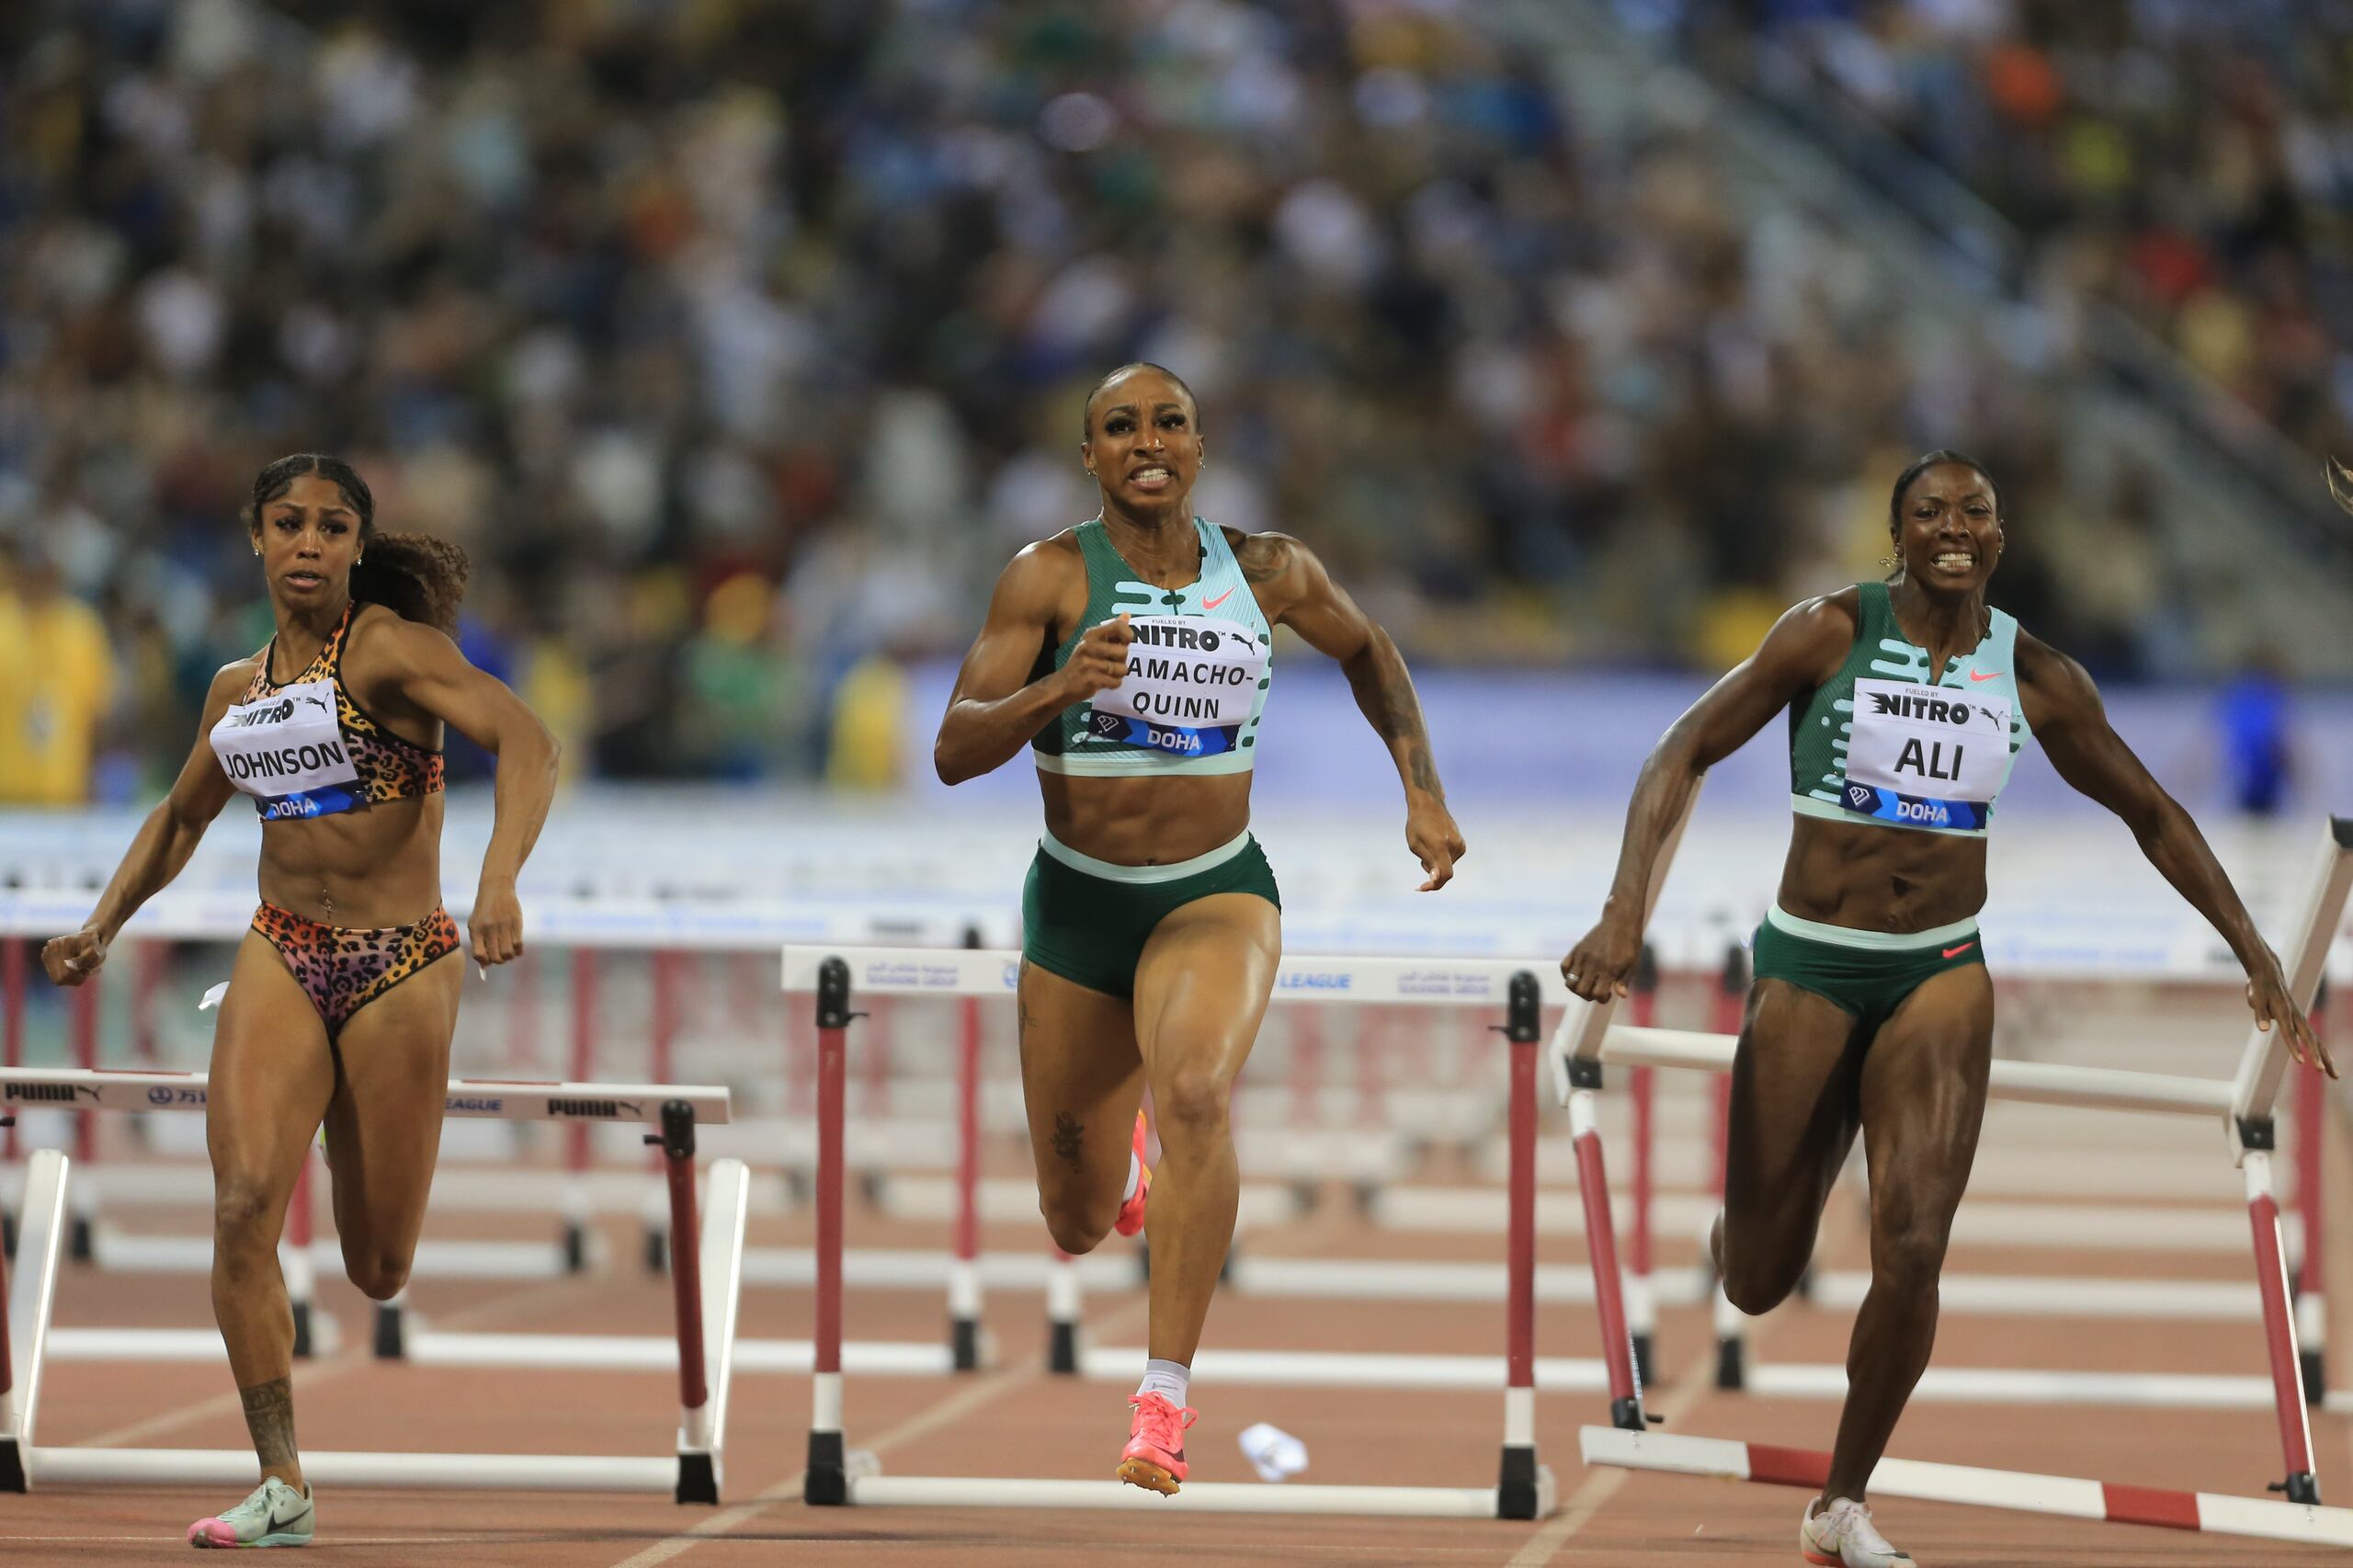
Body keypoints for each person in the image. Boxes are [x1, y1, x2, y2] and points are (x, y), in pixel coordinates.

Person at [1558, 451, 2332, 1568]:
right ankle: (1744, 1221)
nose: (1953, 526)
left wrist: (2255, 948)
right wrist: (1624, 914)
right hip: (1813, 962)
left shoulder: (2036, 675)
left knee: (1913, 1243)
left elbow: (2152, 812)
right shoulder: (1825, 631)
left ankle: (1841, 1498)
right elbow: (1678, 749)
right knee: (1756, 1277)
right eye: (1929, 511)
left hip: (1938, 967)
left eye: (1974, 510)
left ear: (2000, 537)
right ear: (1898, 535)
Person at [934, 363, 1465, 1494]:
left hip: (1213, 890)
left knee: (1194, 1095)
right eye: (1118, 427)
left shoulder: (1266, 569)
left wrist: (1418, 787)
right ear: (1091, 458)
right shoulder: (1046, 577)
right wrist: (1056, 688)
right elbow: (953, 748)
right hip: (1077, 904)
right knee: (1075, 1223)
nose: (1145, 440)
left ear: (1198, 443)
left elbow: (1369, 647)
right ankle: (1119, 1166)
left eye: (1166, 421)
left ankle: (1162, 1400)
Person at [41, 454, 560, 1550]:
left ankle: (343, 1115)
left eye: (332, 526)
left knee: (379, 1267)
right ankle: (282, 1478)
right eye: (290, 523)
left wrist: (499, 879)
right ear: (256, 537)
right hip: (283, 948)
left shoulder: (388, 650)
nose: (310, 543)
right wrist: (103, 923)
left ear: (358, 545)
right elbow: (182, 819)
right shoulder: (240, 688)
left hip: (402, 965)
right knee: (238, 1210)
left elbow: (527, 738)